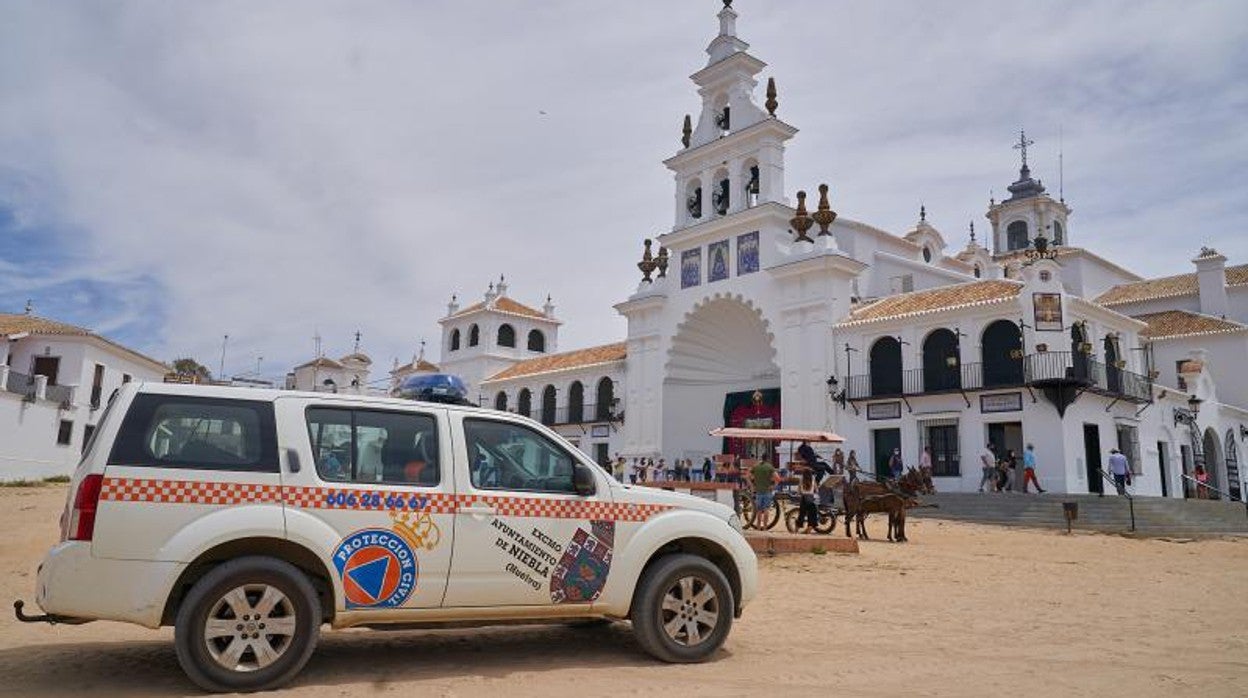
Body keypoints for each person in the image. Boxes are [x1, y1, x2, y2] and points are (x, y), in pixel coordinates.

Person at [750, 458, 780, 529]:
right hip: (767, 491)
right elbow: (778, 478)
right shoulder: (770, 467)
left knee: (759, 510)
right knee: (766, 509)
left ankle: (758, 526)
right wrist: (773, 486)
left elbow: (747, 476)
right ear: (767, 459)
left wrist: (752, 485)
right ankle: (765, 527)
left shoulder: (756, 467)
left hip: (758, 491)